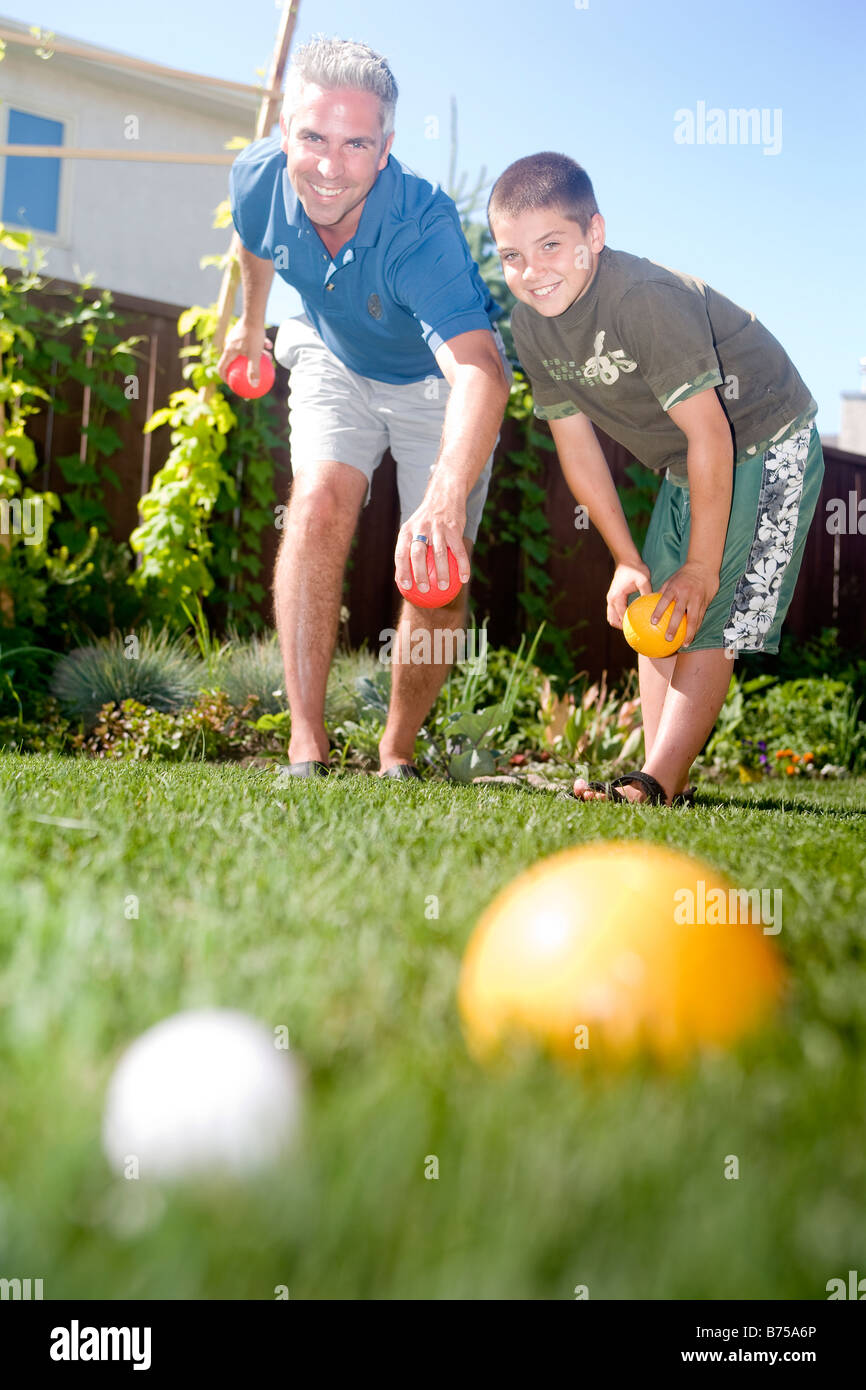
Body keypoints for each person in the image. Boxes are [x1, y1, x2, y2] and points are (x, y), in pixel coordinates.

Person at [487, 151, 823, 806]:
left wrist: (702, 569)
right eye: (512, 256)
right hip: (687, 462)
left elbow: (711, 433)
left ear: (594, 235)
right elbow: (576, 449)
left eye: (550, 245)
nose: (531, 272)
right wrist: (625, 560)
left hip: (764, 432)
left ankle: (657, 782)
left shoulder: (642, 300)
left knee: (712, 606)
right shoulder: (531, 326)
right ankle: (655, 779)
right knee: (658, 609)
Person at [220, 37, 510, 778]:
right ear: (285, 134)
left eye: (355, 144)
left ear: (384, 150)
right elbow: (255, 240)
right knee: (317, 502)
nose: (328, 164)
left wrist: (443, 498)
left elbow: (480, 372)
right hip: (330, 350)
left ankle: (397, 749)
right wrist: (253, 328)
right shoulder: (258, 177)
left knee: (439, 563)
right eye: (312, 137)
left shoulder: (421, 231)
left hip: (433, 383)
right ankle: (305, 744)